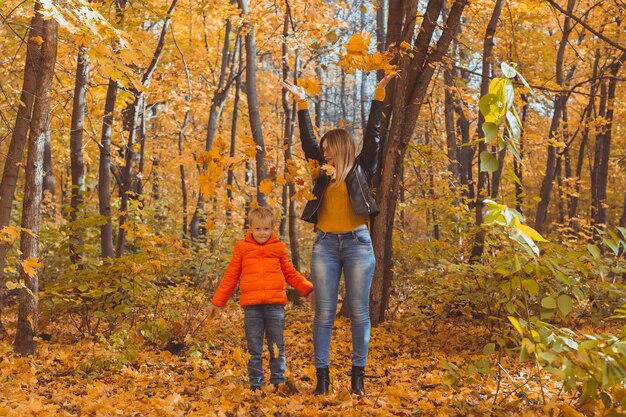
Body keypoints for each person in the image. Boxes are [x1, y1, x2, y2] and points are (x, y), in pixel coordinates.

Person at [281, 72, 396, 396]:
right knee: (324, 314)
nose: (324, 153)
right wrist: (302, 102)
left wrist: (377, 96)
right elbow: (306, 141)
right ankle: (323, 379)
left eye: (329, 149)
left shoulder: (362, 168)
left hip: (358, 244)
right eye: (323, 149)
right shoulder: (320, 171)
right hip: (326, 246)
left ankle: (357, 378)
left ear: (342, 148)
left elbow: (373, 135)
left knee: (359, 313)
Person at [209, 207, 314, 391]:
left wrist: (309, 289)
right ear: (250, 228)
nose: (261, 233)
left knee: (276, 345)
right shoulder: (242, 248)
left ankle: (277, 381)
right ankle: (255, 383)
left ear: (272, 228)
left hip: (275, 307)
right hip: (252, 308)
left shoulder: (279, 248)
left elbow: (291, 274)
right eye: (257, 229)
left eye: (266, 229)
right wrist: (218, 302)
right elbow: (230, 277)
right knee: (254, 347)